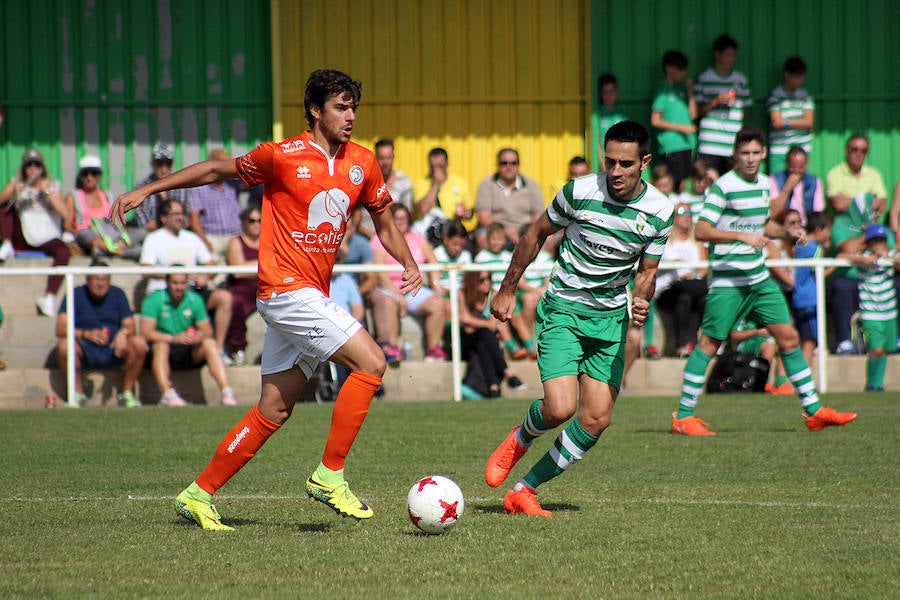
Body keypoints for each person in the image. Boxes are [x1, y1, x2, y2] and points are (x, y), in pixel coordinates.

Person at [112, 68, 422, 529]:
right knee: (372, 363)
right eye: (340, 107)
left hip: (307, 296)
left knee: (274, 408)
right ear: (315, 111)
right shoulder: (281, 156)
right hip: (285, 291)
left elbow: (384, 219)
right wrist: (148, 189)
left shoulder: (362, 161)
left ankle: (198, 495)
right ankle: (329, 476)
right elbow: (218, 169)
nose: (350, 115)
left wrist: (408, 261)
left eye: (353, 107)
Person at [483, 121, 673, 516]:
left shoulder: (660, 211)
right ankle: (520, 437)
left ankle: (525, 490)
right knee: (559, 408)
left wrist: (641, 298)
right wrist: (507, 289)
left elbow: (647, 271)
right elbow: (535, 234)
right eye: (610, 162)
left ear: (645, 162)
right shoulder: (579, 192)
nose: (616, 172)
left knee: (597, 418)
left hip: (610, 320)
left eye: (626, 164)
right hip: (564, 309)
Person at [671, 125, 857, 436]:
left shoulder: (763, 185)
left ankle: (813, 412)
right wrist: (739, 236)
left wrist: (787, 232)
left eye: (756, 153)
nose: (750, 158)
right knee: (709, 344)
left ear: (764, 153)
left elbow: (762, 225)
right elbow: (702, 230)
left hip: (759, 280)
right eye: (744, 153)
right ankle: (683, 417)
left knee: (789, 339)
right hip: (729, 282)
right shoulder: (724, 187)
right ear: (735, 155)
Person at [139, 198, 234, 363]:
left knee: (224, 297)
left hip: (192, 294)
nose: (180, 217)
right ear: (163, 218)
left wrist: (204, 276)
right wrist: (177, 277)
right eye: (175, 214)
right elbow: (146, 270)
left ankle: (218, 349)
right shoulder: (154, 238)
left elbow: (211, 264)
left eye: (182, 214)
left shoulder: (191, 237)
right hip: (164, 293)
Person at [55, 266, 148, 407]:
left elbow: (130, 326)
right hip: (85, 348)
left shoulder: (118, 294)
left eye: (104, 279)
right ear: (87, 280)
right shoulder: (75, 294)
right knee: (64, 345)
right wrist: (86, 334)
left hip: (113, 348)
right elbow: (60, 329)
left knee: (139, 343)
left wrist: (123, 333)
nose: (100, 284)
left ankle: (127, 393)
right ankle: (77, 395)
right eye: (96, 279)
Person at [140, 272, 237, 407]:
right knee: (161, 346)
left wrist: (198, 336)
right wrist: (174, 338)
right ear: (167, 283)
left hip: (188, 349)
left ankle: (226, 390)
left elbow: (207, 330)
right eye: (175, 283)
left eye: (182, 283)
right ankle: (167, 394)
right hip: (164, 348)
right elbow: (146, 332)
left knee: (209, 343)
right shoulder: (154, 299)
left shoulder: (194, 299)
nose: (179, 287)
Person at [370, 203, 448, 362]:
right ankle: (392, 347)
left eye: (403, 218)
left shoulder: (417, 238)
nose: (400, 221)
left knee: (438, 303)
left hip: (413, 289)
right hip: (389, 287)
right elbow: (379, 270)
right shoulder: (381, 238)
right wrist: (397, 295)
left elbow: (433, 262)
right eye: (397, 218)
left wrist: (436, 284)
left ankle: (433, 349)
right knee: (389, 301)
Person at [0, 148, 72, 317]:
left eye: (36, 165)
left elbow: (66, 214)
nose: (33, 169)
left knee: (64, 252)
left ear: (42, 168)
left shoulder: (53, 186)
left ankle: (49, 297)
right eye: (29, 165)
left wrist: (49, 194)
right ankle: (7, 243)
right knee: (3, 208)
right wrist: (13, 194)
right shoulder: (17, 183)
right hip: (24, 235)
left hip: (47, 236)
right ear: (24, 168)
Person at [837, 224, 898, 391]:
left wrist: (888, 258)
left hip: (889, 311)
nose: (878, 244)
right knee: (876, 349)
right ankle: (871, 383)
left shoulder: (890, 255)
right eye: (874, 241)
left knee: (885, 349)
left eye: (881, 240)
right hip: (871, 312)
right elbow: (840, 255)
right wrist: (862, 260)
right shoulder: (863, 257)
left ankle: (877, 384)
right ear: (869, 243)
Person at [828, 187, 888, 354]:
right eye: (874, 209)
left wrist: (873, 233)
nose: (878, 213)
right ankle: (844, 341)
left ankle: (893, 338)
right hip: (849, 279)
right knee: (842, 287)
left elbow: (888, 246)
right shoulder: (839, 224)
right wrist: (869, 233)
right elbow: (846, 247)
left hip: (874, 278)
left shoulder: (878, 225)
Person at [458, 270, 525, 399]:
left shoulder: (494, 295)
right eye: (482, 280)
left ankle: (494, 388)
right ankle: (507, 372)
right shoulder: (462, 294)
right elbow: (464, 320)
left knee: (482, 343)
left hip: (482, 341)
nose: (487, 283)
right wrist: (483, 324)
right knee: (485, 334)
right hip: (465, 342)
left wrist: (475, 323)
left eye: (489, 278)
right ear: (473, 281)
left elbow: (492, 325)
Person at [655, 203, 708, 357]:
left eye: (689, 212)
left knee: (698, 298)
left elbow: (704, 268)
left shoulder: (696, 241)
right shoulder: (665, 240)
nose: (686, 216)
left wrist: (692, 274)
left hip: (692, 287)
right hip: (668, 288)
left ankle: (704, 343)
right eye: (682, 212)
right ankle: (682, 344)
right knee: (684, 294)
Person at [694, 34, 751, 176]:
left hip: (733, 144)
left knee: (733, 185)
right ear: (717, 54)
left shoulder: (740, 80)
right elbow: (697, 112)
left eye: (733, 55)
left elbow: (745, 110)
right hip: (710, 144)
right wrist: (716, 102)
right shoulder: (704, 78)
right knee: (707, 183)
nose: (731, 59)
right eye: (728, 55)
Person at [65, 155, 138, 259]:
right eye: (85, 174)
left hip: (110, 234)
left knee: (141, 232)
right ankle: (115, 250)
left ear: (99, 176)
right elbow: (67, 224)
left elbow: (116, 221)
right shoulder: (73, 196)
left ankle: (110, 249)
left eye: (93, 173)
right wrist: (76, 233)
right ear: (81, 176)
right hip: (88, 235)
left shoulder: (107, 196)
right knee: (84, 233)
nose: (89, 178)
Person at [474, 148, 545, 250]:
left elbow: (538, 217)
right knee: (482, 237)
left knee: (549, 239)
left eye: (513, 163)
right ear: (497, 165)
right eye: (504, 163)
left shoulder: (532, 185)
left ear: (518, 165)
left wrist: (525, 233)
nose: (509, 167)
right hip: (496, 231)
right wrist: (505, 231)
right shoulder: (487, 184)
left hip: (526, 231)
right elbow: (484, 218)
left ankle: (543, 265)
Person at [790, 212, 834, 371]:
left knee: (804, 340)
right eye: (828, 230)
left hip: (800, 298)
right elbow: (820, 273)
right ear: (819, 229)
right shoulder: (813, 248)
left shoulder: (802, 245)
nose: (829, 234)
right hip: (809, 299)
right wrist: (837, 262)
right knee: (808, 341)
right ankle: (804, 377)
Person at [651, 49, 697, 190]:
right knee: (672, 185)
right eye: (680, 69)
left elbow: (693, 115)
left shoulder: (681, 90)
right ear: (669, 68)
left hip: (687, 144)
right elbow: (655, 120)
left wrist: (690, 91)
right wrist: (681, 128)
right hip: (671, 145)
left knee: (685, 185)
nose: (683, 73)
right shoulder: (663, 91)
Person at [352, 139, 414, 240]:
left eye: (388, 158)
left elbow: (408, 216)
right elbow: (355, 218)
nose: (385, 162)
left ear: (393, 158)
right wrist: (374, 238)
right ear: (375, 158)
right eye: (381, 158)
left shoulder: (404, 182)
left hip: (395, 238)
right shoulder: (364, 181)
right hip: (365, 237)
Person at [188, 148, 244, 259]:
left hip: (235, 235)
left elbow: (251, 181)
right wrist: (204, 241)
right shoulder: (199, 188)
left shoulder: (232, 184)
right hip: (212, 238)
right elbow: (194, 217)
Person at [412, 147, 475, 242]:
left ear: (447, 164)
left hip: (452, 232)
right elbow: (423, 209)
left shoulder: (459, 183)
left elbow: (470, 211)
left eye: (440, 166)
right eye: (433, 167)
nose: (436, 170)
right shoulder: (420, 183)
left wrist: (466, 213)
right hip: (428, 232)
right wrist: (436, 184)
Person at [224, 206, 261, 367]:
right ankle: (238, 349)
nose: (256, 224)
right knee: (235, 301)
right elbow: (238, 271)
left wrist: (252, 266)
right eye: (251, 220)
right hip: (243, 289)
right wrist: (263, 265)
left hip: (265, 286)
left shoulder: (270, 239)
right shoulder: (236, 241)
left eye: (260, 220)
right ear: (244, 223)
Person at [767, 56, 815, 175]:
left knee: (800, 189)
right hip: (780, 150)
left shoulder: (805, 96)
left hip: (801, 150)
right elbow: (776, 122)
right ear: (787, 75)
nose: (801, 80)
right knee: (777, 186)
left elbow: (809, 122)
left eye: (802, 76)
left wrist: (785, 122)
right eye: (797, 76)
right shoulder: (775, 96)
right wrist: (800, 122)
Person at [132, 143, 191, 232]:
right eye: (160, 164)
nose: (164, 170)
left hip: (176, 233)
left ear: (173, 164)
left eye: (168, 164)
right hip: (150, 234)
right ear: (153, 164)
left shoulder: (181, 187)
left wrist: (166, 199)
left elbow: (185, 218)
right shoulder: (141, 187)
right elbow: (144, 222)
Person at [825, 133, 887, 218]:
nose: (859, 154)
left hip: (868, 225)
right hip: (843, 225)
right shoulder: (834, 173)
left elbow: (882, 204)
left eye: (863, 151)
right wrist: (869, 202)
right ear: (846, 151)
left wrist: (848, 201)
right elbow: (839, 204)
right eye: (854, 150)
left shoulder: (874, 174)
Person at [769, 146, 824, 227]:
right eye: (792, 167)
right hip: (782, 227)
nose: (796, 171)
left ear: (806, 165)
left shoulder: (814, 181)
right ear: (786, 164)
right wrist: (787, 188)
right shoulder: (774, 180)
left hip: (806, 227)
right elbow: (773, 213)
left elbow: (818, 212)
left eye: (800, 167)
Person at [591, 73, 629, 170]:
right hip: (606, 165)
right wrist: (603, 165)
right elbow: (597, 142)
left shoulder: (622, 114)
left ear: (616, 92)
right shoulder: (597, 115)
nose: (609, 95)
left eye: (611, 91)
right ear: (600, 93)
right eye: (605, 92)